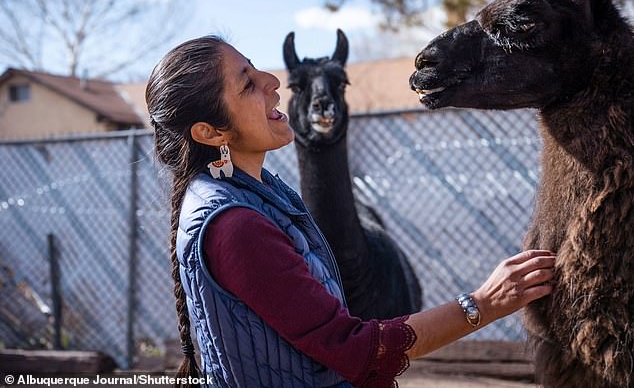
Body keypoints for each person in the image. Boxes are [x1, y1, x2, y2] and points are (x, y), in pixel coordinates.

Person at [145, 35, 556, 388]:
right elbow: (352, 349)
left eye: (257, 69)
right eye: (247, 84)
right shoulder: (236, 224)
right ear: (210, 133)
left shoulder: (257, 194)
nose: (272, 83)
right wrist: (483, 303)